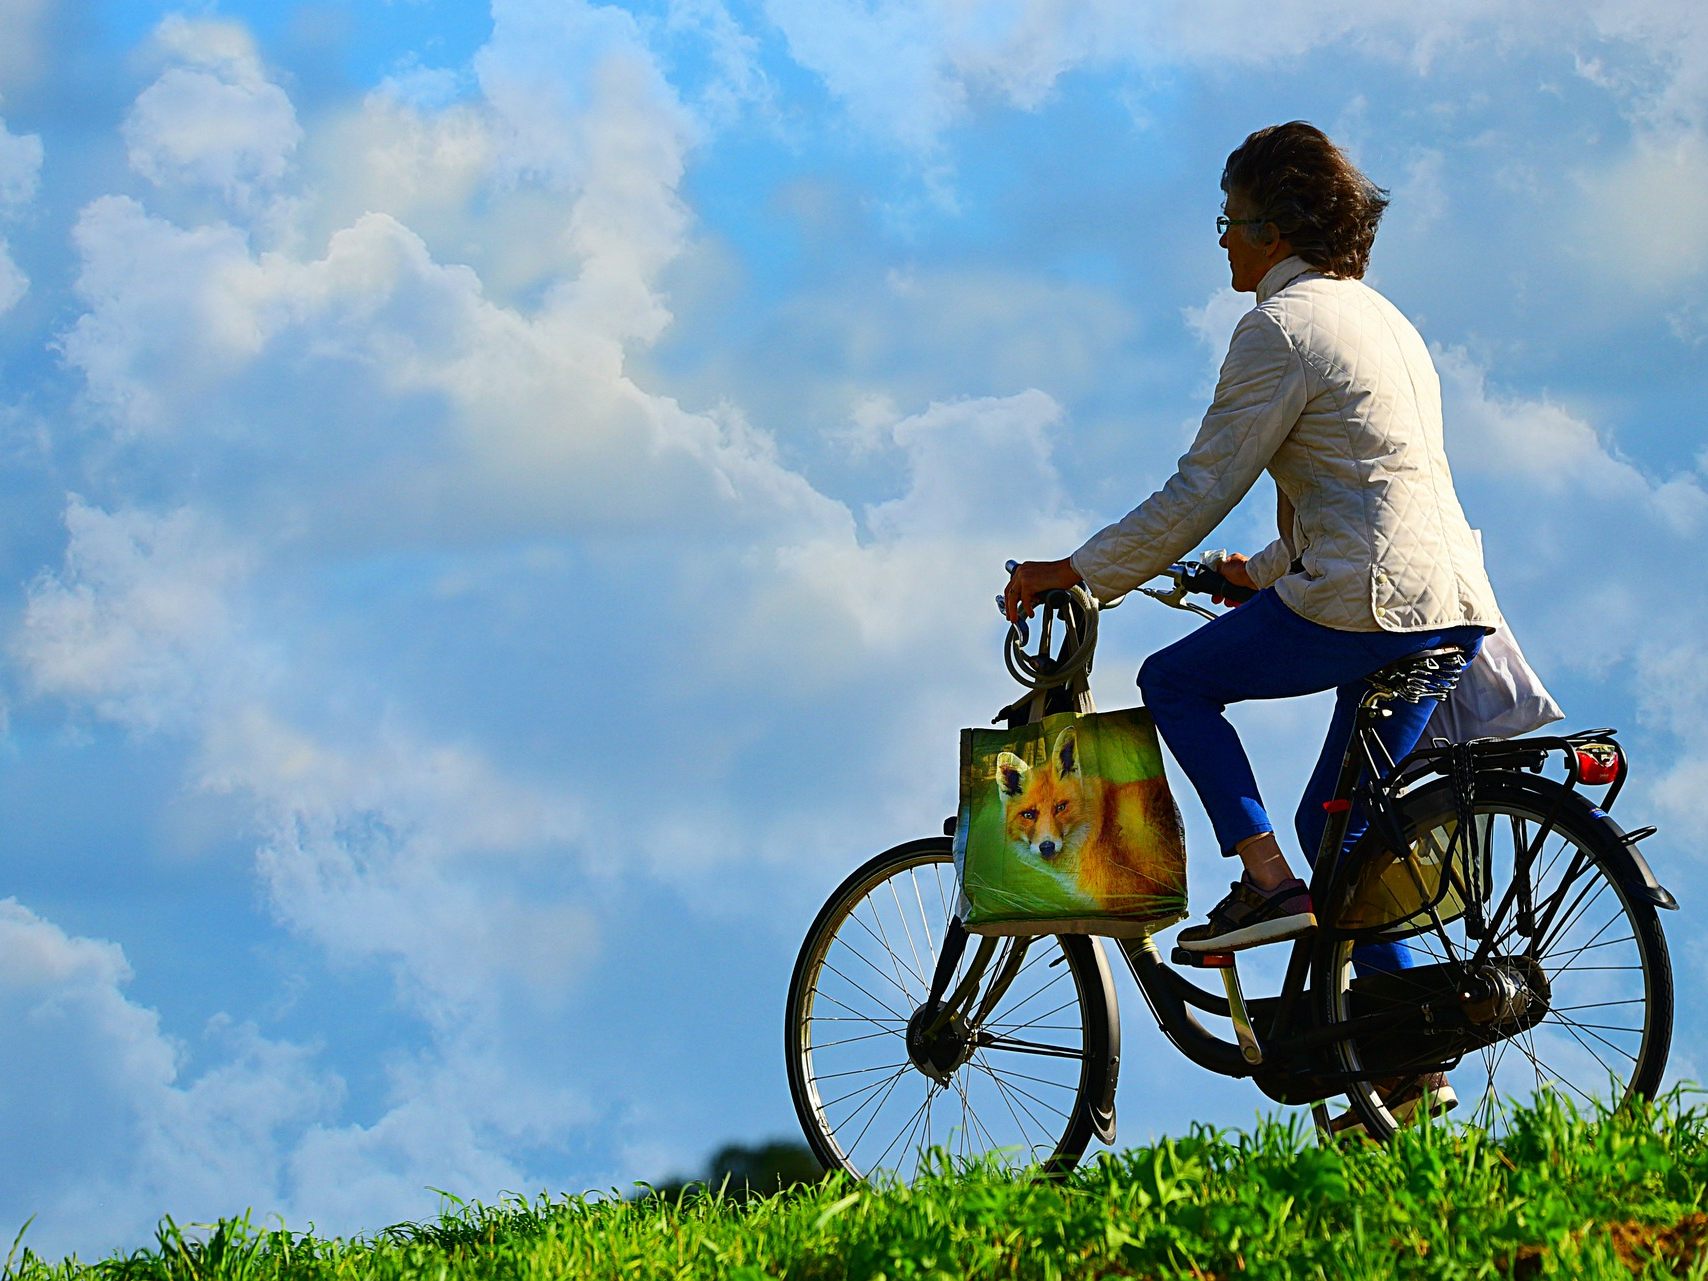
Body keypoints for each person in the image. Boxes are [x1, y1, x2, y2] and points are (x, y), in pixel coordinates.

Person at [1002, 122, 1499, 977]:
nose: (1223, 239)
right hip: (1451, 610)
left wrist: (1077, 570)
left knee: (1173, 680)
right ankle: (1407, 1048)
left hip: (1368, 606)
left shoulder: (1280, 329)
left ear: (1273, 230)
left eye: (1229, 219)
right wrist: (1258, 574)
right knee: (1335, 828)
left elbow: (1201, 488)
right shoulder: (1383, 321)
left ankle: (1266, 883)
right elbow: (1360, 487)